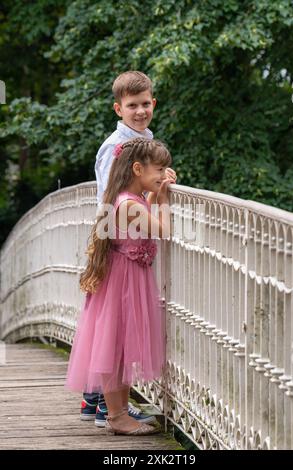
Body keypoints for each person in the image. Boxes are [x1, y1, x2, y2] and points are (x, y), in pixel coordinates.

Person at [81, 70, 176, 427]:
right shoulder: (116, 147)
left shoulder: (141, 139)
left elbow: (133, 192)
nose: (140, 111)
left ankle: (106, 405)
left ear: (154, 103)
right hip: (118, 248)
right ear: (118, 108)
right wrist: (158, 194)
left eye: (145, 103)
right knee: (111, 334)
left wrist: (155, 182)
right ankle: (108, 408)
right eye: (132, 105)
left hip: (127, 249)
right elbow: (114, 197)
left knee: (116, 333)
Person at [66, 137, 175, 435]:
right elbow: (164, 230)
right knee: (115, 349)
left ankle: (121, 412)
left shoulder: (131, 199)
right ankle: (116, 416)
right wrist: (163, 198)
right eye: (160, 168)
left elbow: (145, 220)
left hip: (125, 278)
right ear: (138, 169)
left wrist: (155, 193)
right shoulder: (129, 204)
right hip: (123, 281)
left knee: (121, 348)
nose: (165, 173)